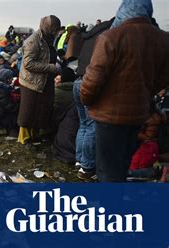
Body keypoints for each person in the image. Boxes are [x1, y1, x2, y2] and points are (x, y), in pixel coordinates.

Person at [80, 0, 169, 182]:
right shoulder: (163, 39)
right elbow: (163, 77)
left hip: (109, 116)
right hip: (138, 114)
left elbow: (93, 80)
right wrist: (143, 92)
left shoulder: (111, 37)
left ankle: (111, 207)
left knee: (107, 169)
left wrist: (87, 100)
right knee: (122, 164)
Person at [73, 18, 113, 179]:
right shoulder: (108, 37)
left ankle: (80, 159)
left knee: (83, 124)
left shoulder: (90, 36)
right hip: (89, 82)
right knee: (91, 125)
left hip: (78, 81)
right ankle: (87, 166)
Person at [17, 15, 61, 148]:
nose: (56, 32)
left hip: (44, 80)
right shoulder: (33, 41)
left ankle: (34, 135)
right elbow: (28, 63)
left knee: (41, 110)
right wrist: (51, 67)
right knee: (28, 111)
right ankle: (24, 138)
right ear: (48, 27)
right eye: (54, 29)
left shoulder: (48, 38)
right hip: (31, 82)